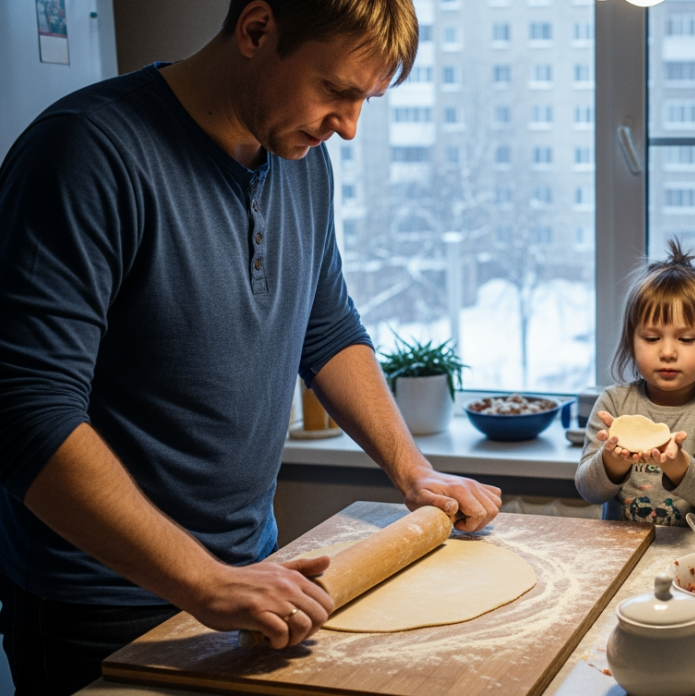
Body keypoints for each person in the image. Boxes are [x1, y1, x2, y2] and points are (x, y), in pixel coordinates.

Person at [0, 1, 502, 693]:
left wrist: (413, 472)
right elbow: (26, 411)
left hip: (254, 576)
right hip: (98, 603)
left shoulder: (301, 157)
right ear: (256, 29)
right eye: (335, 90)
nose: (349, 127)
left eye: (366, 100)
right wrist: (203, 579)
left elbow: (326, 328)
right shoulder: (87, 151)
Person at [575, 241, 695, 528]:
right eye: (652, 338)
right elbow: (589, 491)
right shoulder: (614, 404)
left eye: (686, 339)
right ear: (632, 342)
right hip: (622, 553)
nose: (667, 352)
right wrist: (613, 461)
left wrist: (677, 465)